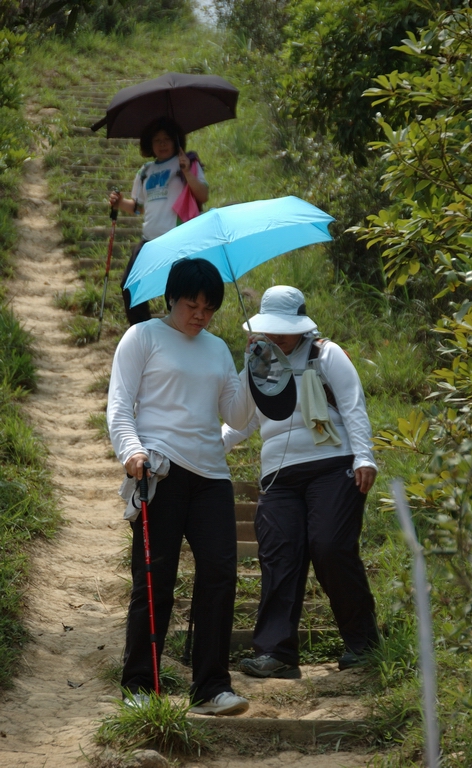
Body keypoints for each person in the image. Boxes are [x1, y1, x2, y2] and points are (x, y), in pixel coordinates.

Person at [106, 257, 255, 715]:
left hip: (212, 477)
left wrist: (252, 368)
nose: (200, 315)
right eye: (193, 305)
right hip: (159, 472)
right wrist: (131, 451)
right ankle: (140, 686)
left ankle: (211, 688)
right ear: (172, 298)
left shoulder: (217, 349)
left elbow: (237, 416)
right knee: (155, 579)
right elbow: (119, 405)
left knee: (220, 575)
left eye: (209, 309)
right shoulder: (142, 337)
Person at [222, 285, 379, 679]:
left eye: (284, 330)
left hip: (333, 465)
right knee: (280, 555)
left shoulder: (326, 354)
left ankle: (363, 645)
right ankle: (275, 654)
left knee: (330, 546)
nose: (277, 336)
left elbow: (353, 405)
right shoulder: (260, 360)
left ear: (301, 326)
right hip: (279, 476)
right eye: (270, 329)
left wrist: (364, 456)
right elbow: (242, 421)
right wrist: (208, 447)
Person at [109, 118, 209, 325]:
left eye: (167, 139)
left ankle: (178, 333)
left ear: (176, 141)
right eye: (157, 140)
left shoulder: (187, 162)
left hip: (178, 240)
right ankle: (142, 332)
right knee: (130, 285)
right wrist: (120, 203)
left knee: (177, 293)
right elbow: (139, 207)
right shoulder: (145, 171)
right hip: (149, 239)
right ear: (149, 144)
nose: (162, 144)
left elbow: (203, 195)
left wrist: (187, 171)